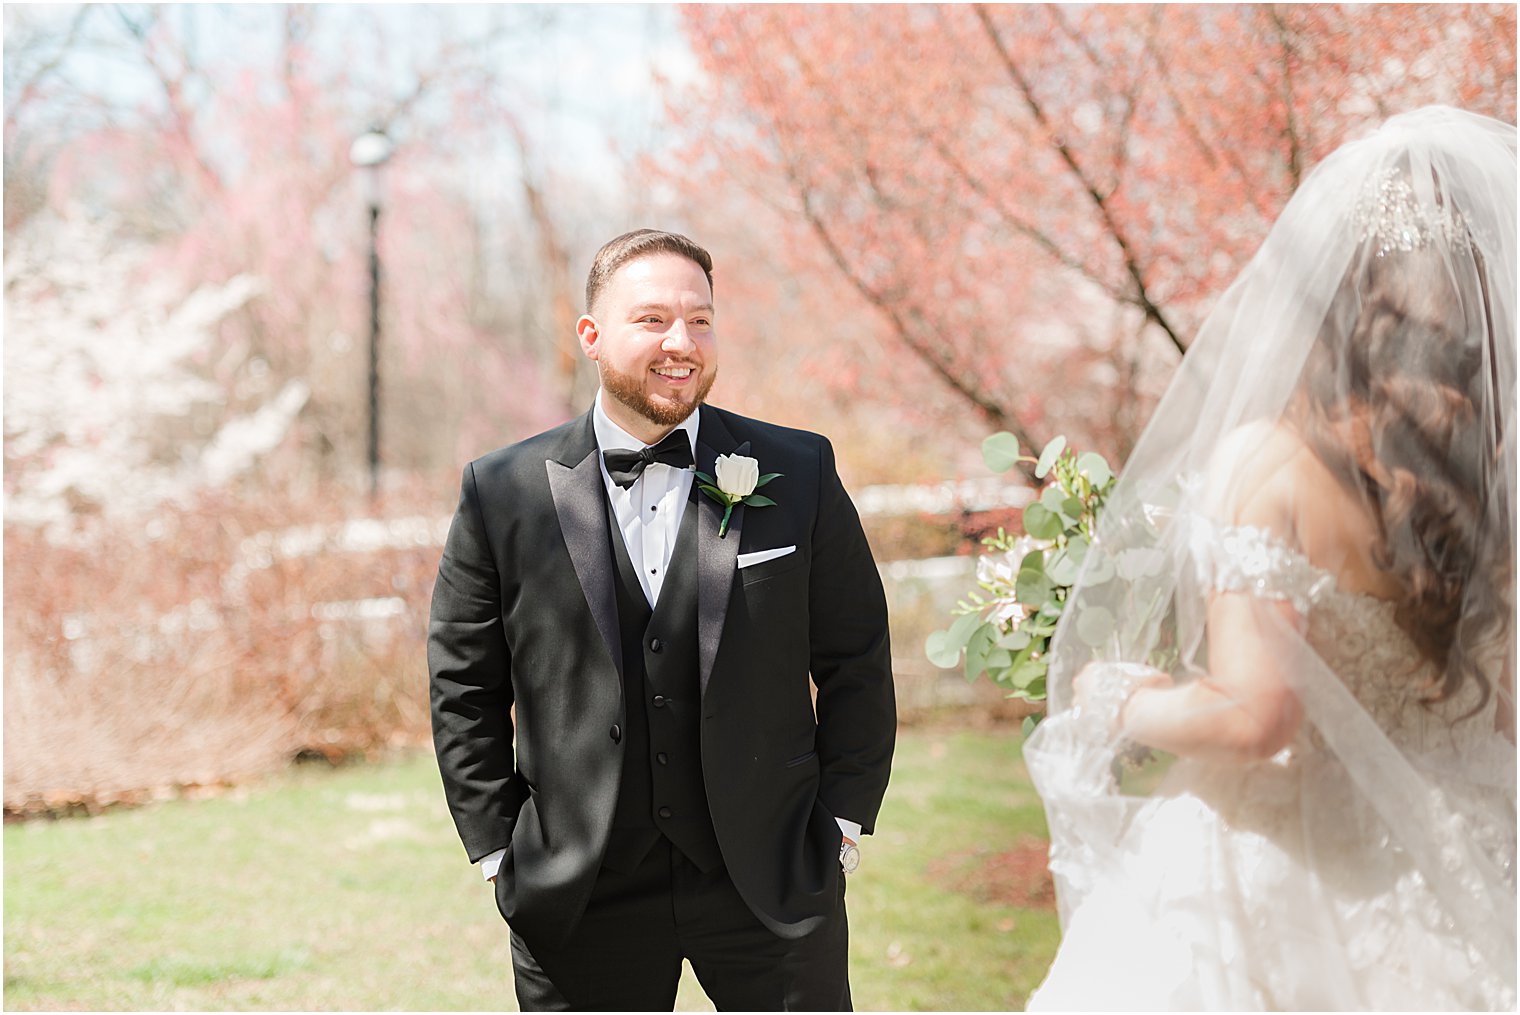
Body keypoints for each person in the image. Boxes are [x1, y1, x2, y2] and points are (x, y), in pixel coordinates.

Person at [1023, 106, 1516, 1010]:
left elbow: (1256, 718)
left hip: (1288, 877)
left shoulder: (1271, 462)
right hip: (1462, 861)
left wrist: (1115, 696)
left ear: (1331, 310)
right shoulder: (1485, 486)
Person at [428, 229, 896, 1011]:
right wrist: (499, 848)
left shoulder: (801, 469)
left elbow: (856, 656)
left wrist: (841, 823)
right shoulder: (501, 491)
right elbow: (463, 683)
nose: (682, 342)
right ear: (591, 336)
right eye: (652, 320)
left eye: (701, 320)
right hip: (580, 885)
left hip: (772, 873)